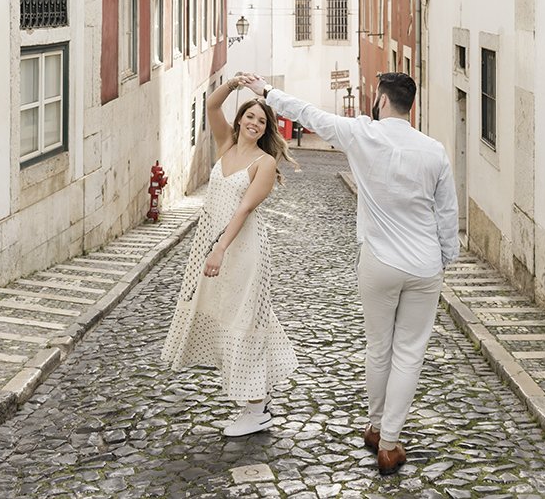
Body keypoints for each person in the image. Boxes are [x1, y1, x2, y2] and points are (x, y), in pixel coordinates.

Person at [245, 71, 459, 477]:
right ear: (410, 106)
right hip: (425, 264)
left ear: (380, 101)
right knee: (409, 353)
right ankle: (390, 442)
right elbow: (446, 213)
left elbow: (309, 114)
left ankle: (378, 428)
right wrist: (445, 259)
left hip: (379, 261)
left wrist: (267, 92)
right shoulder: (434, 151)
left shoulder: (362, 134)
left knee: (379, 348)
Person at [162, 73, 299, 437]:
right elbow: (210, 104)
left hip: (241, 251)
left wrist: (220, 249)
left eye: (262, 121)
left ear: (267, 128)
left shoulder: (264, 164)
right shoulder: (225, 145)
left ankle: (255, 409)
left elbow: (242, 211)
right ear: (239, 120)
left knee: (246, 320)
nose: (254, 124)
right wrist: (235, 83)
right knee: (230, 316)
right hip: (211, 244)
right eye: (250, 117)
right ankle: (259, 396)